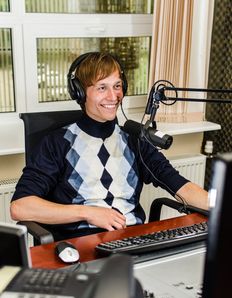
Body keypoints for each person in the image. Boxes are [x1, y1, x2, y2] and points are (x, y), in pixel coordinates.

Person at [10, 52, 208, 241]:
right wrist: (87, 213)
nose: (113, 97)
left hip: (132, 241)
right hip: (81, 246)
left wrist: (222, 207)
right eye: (102, 88)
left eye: (117, 86)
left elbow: (183, 188)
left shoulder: (134, 140)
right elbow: (20, 207)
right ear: (80, 93)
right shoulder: (57, 143)